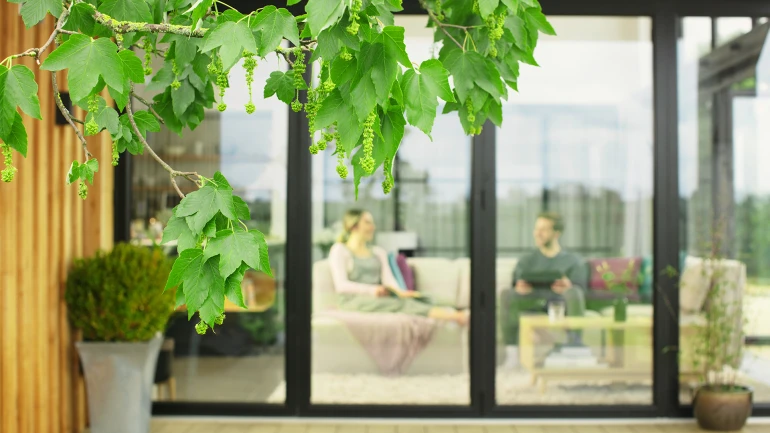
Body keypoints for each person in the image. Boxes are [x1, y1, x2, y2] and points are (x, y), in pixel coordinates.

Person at [328, 209, 469, 325]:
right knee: (402, 305)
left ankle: (453, 314)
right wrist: (374, 290)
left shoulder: (378, 252)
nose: (373, 227)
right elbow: (341, 285)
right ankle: (458, 317)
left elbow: (388, 280)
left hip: (377, 298)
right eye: (367, 222)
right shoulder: (340, 250)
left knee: (424, 298)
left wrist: (400, 292)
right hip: (353, 300)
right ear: (353, 226)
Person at [500, 211, 588, 369]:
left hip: (558, 303)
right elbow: (515, 283)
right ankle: (512, 356)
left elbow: (581, 289)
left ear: (556, 233)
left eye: (544, 229)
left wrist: (569, 286)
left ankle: (574, 347)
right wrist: (519, 287)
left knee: (574, 292)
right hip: (531, 301)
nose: (538, 233)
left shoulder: (572, 261)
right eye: (536, 229)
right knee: (506, 295)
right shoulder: (527, 260)